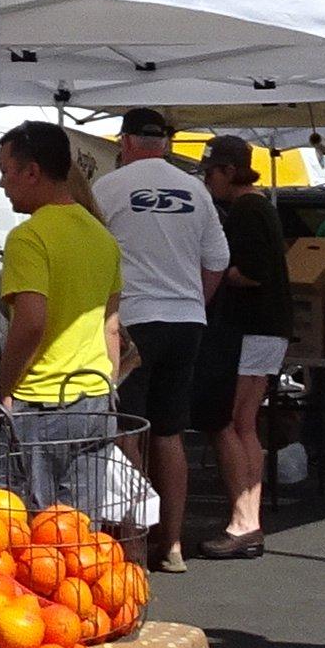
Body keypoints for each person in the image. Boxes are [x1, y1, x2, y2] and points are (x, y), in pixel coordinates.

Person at [89, 107, 231, 562]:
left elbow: (90, 254)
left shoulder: (108, 187)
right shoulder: (196, 189)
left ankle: (131, 540)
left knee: (127, 427)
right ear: (165, 144)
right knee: (169, 432)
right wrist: (195, 301)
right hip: (186, 319)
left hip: (131, 321)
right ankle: (170, 542)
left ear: (126, 142)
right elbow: (218, 259)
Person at [0, 119, 126, 518]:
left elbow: (31, 322)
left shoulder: (29, 237)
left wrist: (2, 387)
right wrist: (109, 391)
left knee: (29, 533)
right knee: (78, 535)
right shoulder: (102, 236)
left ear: (32, 172)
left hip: (42, 403)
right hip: (95, 398)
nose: (2, 184)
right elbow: (111, 327)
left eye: (6, 172)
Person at [200, 134, 292, 555]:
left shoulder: (248, 210)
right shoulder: (258, 209)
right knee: (245, 422)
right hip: (267, 328)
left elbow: (253, 272)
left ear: (229, 171)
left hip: (255, 327)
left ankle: (244, 520)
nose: (208, 181)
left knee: (234, 422)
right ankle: (249, 519)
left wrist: (217, 274)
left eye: (211, 172)